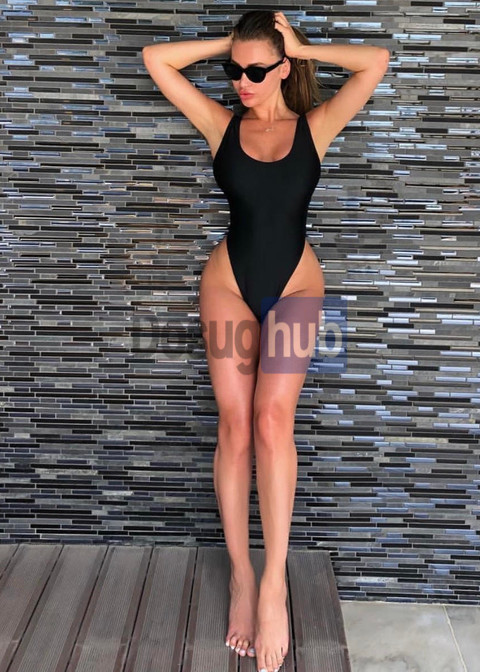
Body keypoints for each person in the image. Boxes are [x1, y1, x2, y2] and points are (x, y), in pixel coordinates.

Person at [143, 10, 389, 672]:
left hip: (298, 286)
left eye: (257, 70)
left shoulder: (316, 126)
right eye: (235, 70)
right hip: (228, 282)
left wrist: (302, 47)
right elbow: (155, 59)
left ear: (282, 69)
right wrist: (231, 43)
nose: (243, 81)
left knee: (273, 420)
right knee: (235, 426)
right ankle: (242, 578)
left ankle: (274, 582)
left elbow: (376, 62)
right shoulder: (220, 124)